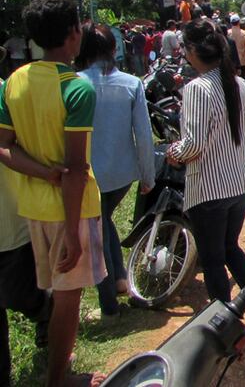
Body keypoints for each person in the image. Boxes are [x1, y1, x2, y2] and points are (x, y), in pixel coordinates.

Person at [0, 0, 106, 387]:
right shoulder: (76, 88)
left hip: (33, 208)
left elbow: (5, 147)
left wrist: (44, 173)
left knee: (57, 295)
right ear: (74, 32)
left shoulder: (14, 81)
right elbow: (75, 169)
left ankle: (57, 371)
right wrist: (75, 234)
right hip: (70, 210)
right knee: (67, 300)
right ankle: (59, 378)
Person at [166, 19, 245, 333]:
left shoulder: (196, 88)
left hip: (210, 188)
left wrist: (172, 152)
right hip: (241, 183)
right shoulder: (239, 84)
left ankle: (227, 331)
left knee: (214, 260)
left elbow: (193, 145)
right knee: (231, 247)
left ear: (192, 51)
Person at [74, 23, 154, 319]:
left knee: (98, 233)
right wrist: (147, 174)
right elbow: (143, 135)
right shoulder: (131, 83)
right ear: (113, 48)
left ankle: (109, 305)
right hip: (122, 175)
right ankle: (120, 279)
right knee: (104, 222)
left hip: (88, 175)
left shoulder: (73, 84)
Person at [0, 55, 52, 387]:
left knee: (23, 295)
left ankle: (47, 315)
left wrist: (48, 175)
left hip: (9, 220)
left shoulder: (5, 92)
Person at [229, 15, 245, 79]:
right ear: (239, 22)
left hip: (231, 61)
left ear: (231, 23)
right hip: (242, 61)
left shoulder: (227, 33)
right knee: (242, 79)